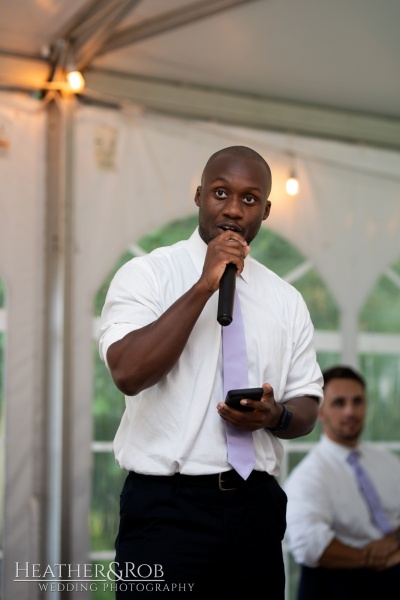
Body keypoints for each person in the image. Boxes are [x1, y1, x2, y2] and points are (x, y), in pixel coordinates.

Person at [99, 145, 323, 598]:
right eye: (221, 193)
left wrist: (274, 415)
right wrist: (205, 285)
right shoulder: (147, 274)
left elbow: (307, 404)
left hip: (256, 508)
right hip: (167, 510)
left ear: (266, 210)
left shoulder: (286, 299)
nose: (234, 210)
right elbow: (127, 371)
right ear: (200, 195)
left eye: (249, 199)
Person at [284, 365, 400, 600]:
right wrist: (382, 559)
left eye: (358, 401)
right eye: (339, 403)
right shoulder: (307, 476)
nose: (350, 411)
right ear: (321, 412)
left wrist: (394, 542)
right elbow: (309, 544)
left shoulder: (389, 461)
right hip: (340, 585)